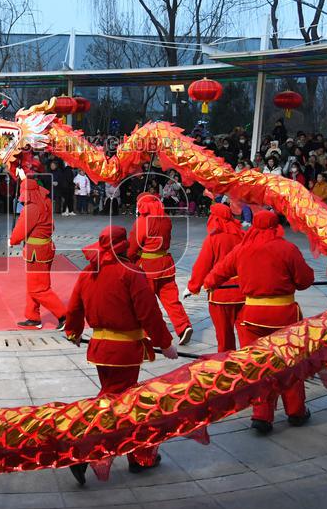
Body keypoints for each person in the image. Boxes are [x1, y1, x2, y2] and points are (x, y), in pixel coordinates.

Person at [64, 226, 179, 484]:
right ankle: (83, 452)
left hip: (100, 349)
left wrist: (73, 332)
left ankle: (139, 454)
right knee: (117, 405)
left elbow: (74, 308)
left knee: (124, 404)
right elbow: (148, 312)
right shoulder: (131, 272)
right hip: (124, 352)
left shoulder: (88, 272)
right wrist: (165, 343)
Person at [203, 211, 314, 434]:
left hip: (252, 317)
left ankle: (262, 415)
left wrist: (208, 284)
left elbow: (215, 275)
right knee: (290, 363)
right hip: (284, 315)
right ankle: (295, 411)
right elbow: (305, 280)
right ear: (275, 227)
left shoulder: (242, 250)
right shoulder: (287, 249)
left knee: (257, 366)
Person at [127, 192, 193, 344]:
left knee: (146, 302)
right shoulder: (166, 219)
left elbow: (133, 246)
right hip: (166, 263)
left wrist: (129, 259)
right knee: (171, 299)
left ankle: (148, 332)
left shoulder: (143, 221)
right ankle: (183, 327)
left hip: (148, 267)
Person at [10, 167, 68, 329]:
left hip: (36, 251)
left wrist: (12, 240)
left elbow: (20, 232)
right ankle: (33, 316)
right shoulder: (44, 201)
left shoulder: (31, 208)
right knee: (34, 285)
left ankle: (64, 315)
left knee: (38, 288)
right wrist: (22, 177)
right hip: (45, 247)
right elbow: (30, 186)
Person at [184, 203, 245, 351]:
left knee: (224, 337)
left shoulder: (213, 239)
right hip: (243, 293)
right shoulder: (242, 235)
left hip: (220, 294)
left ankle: (227, 368)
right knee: (246, 337)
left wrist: (192, 287)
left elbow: (202, 266)